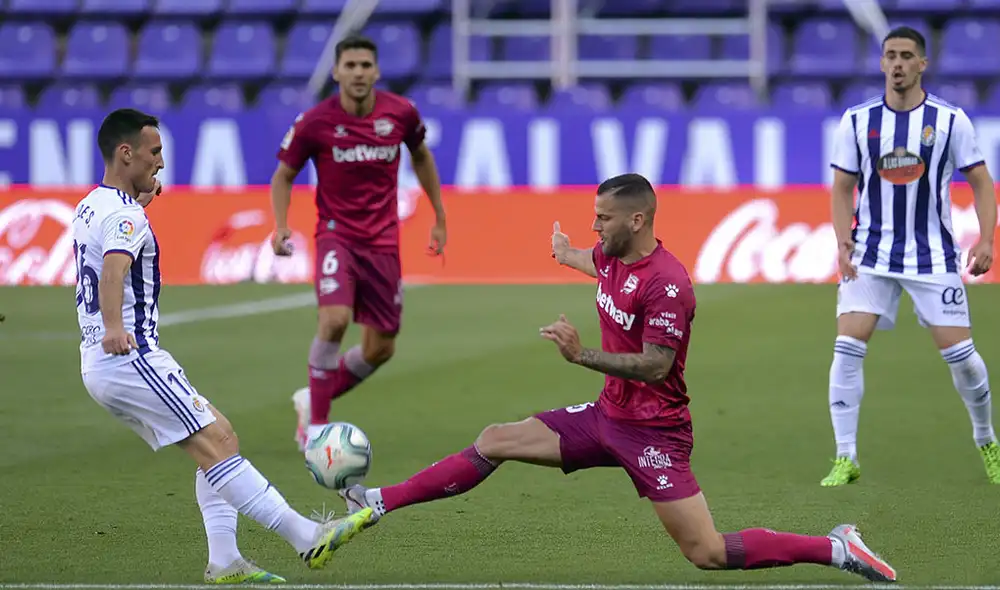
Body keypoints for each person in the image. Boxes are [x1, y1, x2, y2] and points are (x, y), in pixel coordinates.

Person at [330, 173, 896, 582]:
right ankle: (377, 502)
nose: (594, 225)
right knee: (495, 438)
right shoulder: (611, 255)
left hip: (655, 433)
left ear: (637, 219)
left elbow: (657, 365)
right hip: (606, 418)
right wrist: (564, 252)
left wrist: (583, 357)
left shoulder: (668, 283)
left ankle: (834, 547)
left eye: (603, 217)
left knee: (707, 553)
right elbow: (591, 263)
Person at [73, 108, 373, 584]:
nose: (161, 164)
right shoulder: (124, 216)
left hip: (106, 362)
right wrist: (114, 325)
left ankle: (225, 560)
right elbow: (113, 271)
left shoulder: (92, 204)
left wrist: (139, 205)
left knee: (222, 435)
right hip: (129, 356)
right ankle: (306, 536)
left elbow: (109, 243)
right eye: (155, 152)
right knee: (215, 444)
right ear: (125, 152)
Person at [824, 26, 999, 487]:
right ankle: (846, 457)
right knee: (847, 347)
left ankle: (987, 440)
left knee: (962, 357)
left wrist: (986, 239)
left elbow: (981, 181)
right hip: (871, 254)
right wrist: (843, 241)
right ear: (881, 63)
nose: (897, 63)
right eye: (890, 56)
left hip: (932, 255)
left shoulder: (949, 120)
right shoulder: (857, 121)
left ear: (922, 65)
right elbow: (842, 188)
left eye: (906, 56)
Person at [269, 34, 447, 452]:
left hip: (383, 241)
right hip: (336, 235)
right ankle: (318, 428)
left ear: (377, 71)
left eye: (365, 65)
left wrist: (438, 214)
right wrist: (280, 226)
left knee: (381, 347)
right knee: (333, 321)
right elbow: (283, 175)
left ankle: (313, 398)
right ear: (336, 72)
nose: (358, 73)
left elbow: (421, 155)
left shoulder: (400, 113)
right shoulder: (315, 122)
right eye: (350, 66)